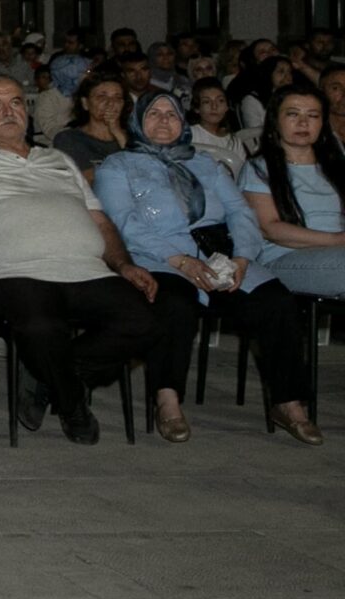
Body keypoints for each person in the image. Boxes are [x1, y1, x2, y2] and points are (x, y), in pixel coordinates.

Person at [0, 76, 177, 446]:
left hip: (87, 272)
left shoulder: (58, 159)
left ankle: (47, 376)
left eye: (17, 102)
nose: (9, 111)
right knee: (40, 327)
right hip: (9, 274)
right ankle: (72, 404)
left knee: (148, 322)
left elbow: (100, 221)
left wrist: (124, 265)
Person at [97, 90, 316, 445]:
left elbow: (240, 212)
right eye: (154, 114)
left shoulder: (204, 163)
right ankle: (167, 400)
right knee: (175, 305)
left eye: (172, 114)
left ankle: (289, 402)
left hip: (220, 255)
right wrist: (180, 260)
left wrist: (243, 256)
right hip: (160, 257)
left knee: (276, 302)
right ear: (137, 121)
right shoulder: (118, 166)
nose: (164, 120)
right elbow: (123, 223)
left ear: (183, 122)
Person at [241, 87, 345, 301]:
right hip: (284, 259)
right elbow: (270, 228)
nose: (303, 122)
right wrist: (337, 239)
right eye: (293, 114)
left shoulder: (336, 166)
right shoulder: (259, 168)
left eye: (313, 115)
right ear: (275, 120)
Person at [52, 71, 132, 180]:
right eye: (102, 97)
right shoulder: (69, 139)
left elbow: (140, 174)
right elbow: (86, 181)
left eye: (117, 98)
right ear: (85, 103)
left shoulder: (133, 139)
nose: (110, 103)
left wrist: (118, 133)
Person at [186, 77, 246, 178]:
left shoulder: (234, 141)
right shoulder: (190, 135)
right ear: (197, 108)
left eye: (220, 101)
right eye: (207, 102)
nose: (214, 106)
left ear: (227, 107)